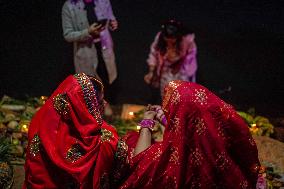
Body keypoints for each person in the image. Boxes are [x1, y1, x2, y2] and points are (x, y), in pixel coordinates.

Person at [116, 80, 260, 189]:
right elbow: (193, 130)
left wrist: (147, 122)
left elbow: (139, 162)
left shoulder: (169, 161)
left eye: (172, 110)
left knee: (131, 141)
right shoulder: (226, 149)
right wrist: (168, 120)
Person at [23, 73, 119, 188]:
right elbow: (132, 165)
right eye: (99, 102)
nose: (105, 104)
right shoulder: (102, 141)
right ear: (83, 108)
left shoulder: (39, 123)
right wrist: (146, 123)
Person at [62, 0, 118, 115]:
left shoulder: (103, 1)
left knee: (106, 76)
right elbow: (68, 35)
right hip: (85, 51)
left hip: (104, 47)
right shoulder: (69, 6)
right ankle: (91, 113)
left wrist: (112, 23)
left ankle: (104, 105)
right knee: (89, 83)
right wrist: (88, 32)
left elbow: (110, 18)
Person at [144, 19, 198, 101]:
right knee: (167, 96)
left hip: (182, 73)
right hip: (165, 72)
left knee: (183, 98)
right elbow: (153, 54)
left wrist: (180, 67)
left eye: (172, 39)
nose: (169, 41)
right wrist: (151, 72)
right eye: (167, 38)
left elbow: (190, 59)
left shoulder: (187, 41)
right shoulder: (160, 38)